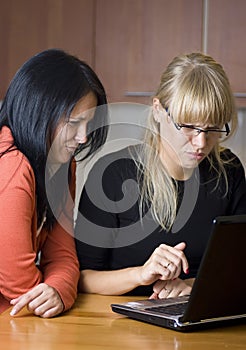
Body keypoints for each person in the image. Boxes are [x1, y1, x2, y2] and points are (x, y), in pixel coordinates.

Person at [74, 52, 246, 299]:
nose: (200, 142)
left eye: (212, 129)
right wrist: (140, 274)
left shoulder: (229, 171)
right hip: (120, 328)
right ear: (158, 110)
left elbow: (237, 268)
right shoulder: (112, 174)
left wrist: (191, 287)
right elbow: (82, 277)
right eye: (188, 126)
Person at [0, 48, 108, 316]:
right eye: (74, 123)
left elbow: (63, 255)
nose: (83, 137)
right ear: (39, 111)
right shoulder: (12, 165)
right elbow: (19, 287)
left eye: (89, 124)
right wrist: (54, 294)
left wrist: (58, 290)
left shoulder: (61, 165)